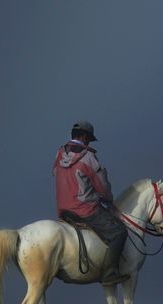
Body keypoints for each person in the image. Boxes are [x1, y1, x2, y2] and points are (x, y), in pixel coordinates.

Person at [53, 120, 128, 284]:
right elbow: (102, 186)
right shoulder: (88, 157)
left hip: (63, 209)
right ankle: (109, 274)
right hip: (84, 209)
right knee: (119, 233)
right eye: (88, 139)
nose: (89, 142)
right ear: (83, 137)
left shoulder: (59, 153)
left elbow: (55, 174)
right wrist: (107, 198)